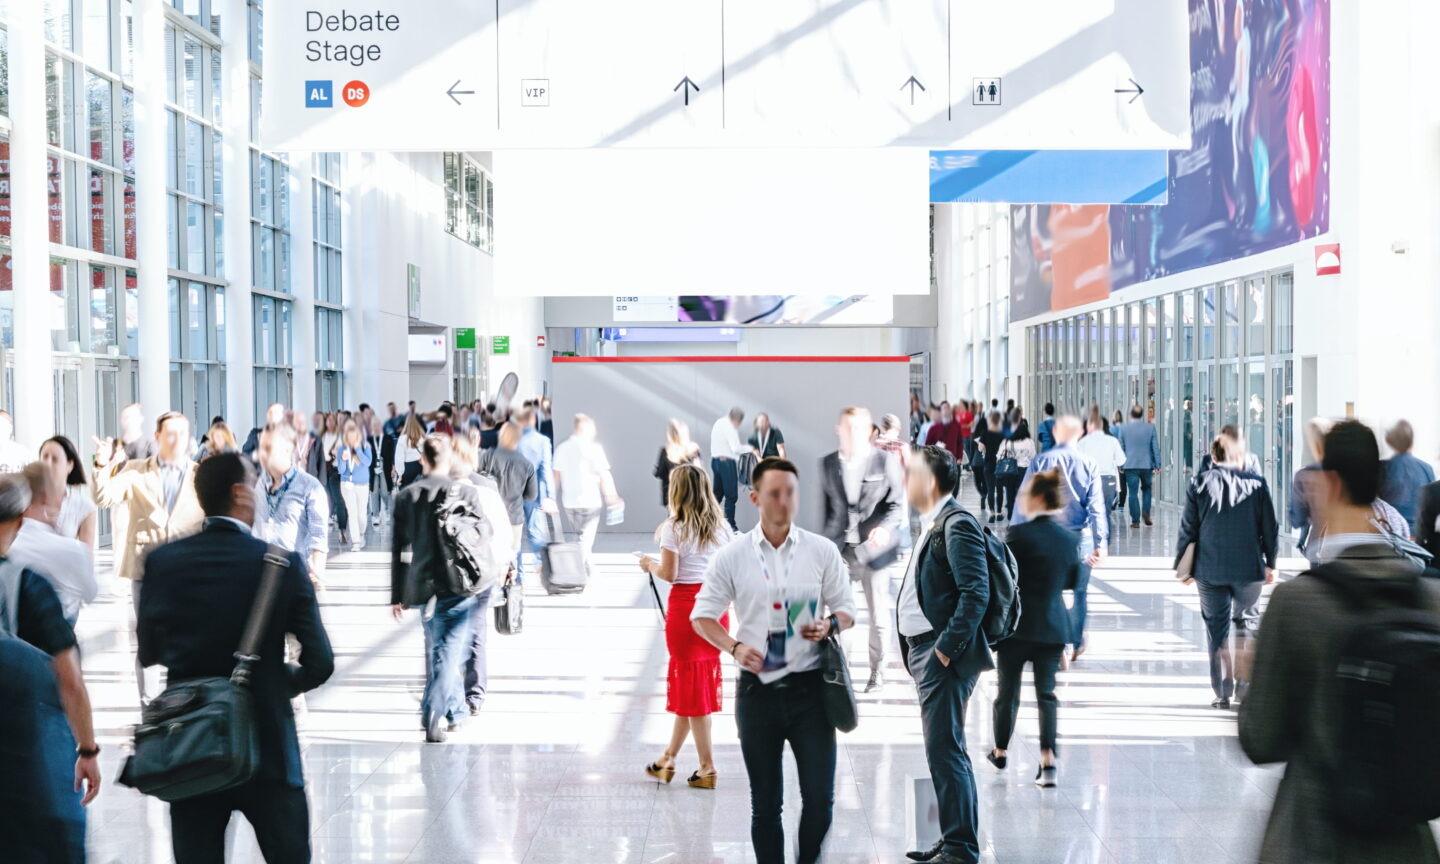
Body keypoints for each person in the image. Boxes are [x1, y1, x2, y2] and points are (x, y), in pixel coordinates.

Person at [1240, 420, 1440, 864]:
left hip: (1314, 838)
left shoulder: (1297, 604)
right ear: (1381, 484)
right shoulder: (1429, 602)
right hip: (1408, 844)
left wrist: (1254, 672)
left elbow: (1261, 739)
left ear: (1329, 484)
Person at [138, 452, 334, 863]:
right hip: (268, 742)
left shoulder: (162, 562)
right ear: (240, 494)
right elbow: (320, 662)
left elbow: (150, 651)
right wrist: (274, 684)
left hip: (191, 744)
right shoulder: (281, 565)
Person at [691, 457, 856, 864]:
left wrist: (829, 624)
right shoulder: (732, 556)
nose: (785, 502)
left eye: (791, 493)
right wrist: (733, 647)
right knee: (766, 805)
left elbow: (848, 609)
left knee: (820, 799)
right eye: (775, 494)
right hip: (757, 692)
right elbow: (701, 616)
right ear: (754, 498)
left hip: (812, 691)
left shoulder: (821, 551)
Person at [897, 446, 992, 864]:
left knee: (946, 751)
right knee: (945, 750)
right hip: (928, 655)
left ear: (930, 482)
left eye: (911, 474)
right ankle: (956, 838)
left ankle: (960, 848)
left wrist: (944, 653)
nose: (905, 481)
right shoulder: (936, 521)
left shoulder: (957, 524)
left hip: (942, 658)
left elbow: (977, 594)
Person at [0, 472, 101, 859]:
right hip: (28, 758)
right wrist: (88, 750)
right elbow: (70, 679)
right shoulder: (30, 588)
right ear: (20, 520)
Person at [93, 410, 205, 705]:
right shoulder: (136, 470)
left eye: (182, 433)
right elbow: (104, 497)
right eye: (170, 433)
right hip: (147, 570)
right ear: (157, 437)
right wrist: (102, 465)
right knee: (149, 642)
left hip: (187, 573)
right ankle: (150, 707)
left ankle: (183, 704)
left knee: (188, 638)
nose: (177, 439)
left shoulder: (199, 475)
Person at [390, 435, 493, 743]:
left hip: (423, 586)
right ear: (449, 460)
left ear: (422, 459)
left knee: (439, 647)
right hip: (458, 582)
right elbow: (485, 531)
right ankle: (434, 711)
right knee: (448, 651)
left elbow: (399, 550)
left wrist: (398, 595)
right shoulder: (464, 491)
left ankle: (456, 712)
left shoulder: (406, 496)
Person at [638, 463, 734, 788]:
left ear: (676, 492)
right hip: (716, 608)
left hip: (687, 612)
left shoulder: (674, 527)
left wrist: (648, 564)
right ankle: (668, 758)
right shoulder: (723, 527)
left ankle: (707, 766)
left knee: (692, 688)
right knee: (693, 687)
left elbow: (671, 574)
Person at [1175, 434, 1279, 708]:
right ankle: (1245, 689)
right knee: (1247, 624)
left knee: (1216, 630)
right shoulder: (1257, 485)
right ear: (1238, 456)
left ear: (1213, 455)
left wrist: (1182, 566)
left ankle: (1222, 692)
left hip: (1210, 569)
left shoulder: (1198, 483)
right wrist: (1271, 563)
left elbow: (1188, 527)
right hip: (1248, 568)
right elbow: (1270, 527)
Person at [989, 468, 1077, 790]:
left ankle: (1000, 751)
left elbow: (1005, 579)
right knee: (1046, 695)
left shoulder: (1017, 535)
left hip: (1017, 628)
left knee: (1007, 693)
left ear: (1037, 498)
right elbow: (1073, 581)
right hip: (1053, 628)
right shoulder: (1070, 539)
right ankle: (1048, 759)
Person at [1010, 416, 1107, 662]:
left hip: (1049, 538)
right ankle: (1077, 640)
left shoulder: (1041, 461)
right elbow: (1097, 507)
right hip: (1081, 538)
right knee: (1081, 592)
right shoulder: (1089, 463)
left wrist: (1016, 535)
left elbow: (1024, 502)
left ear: (1055, 432)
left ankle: (1060, 645)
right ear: (1080, 434)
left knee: (1053, 590)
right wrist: (1100, 542)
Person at [820, 407, 902, 692]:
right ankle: (840, 668)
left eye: (859, 428)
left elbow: (897, 504)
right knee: (838, 612)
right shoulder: (829, 464)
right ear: (839, 429)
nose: (853, 433)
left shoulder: (884, 461)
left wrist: (885, 529)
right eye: (848, 427)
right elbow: (828, 511)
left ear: (870, 431)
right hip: (842, 550)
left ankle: (877, 672)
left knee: (878, 613)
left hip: (874, 550)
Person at [449, 435, 516, 718]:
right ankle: (474, 693)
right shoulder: (486, 492)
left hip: (451, 572)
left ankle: (456, 690)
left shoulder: (439, 492)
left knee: (449, 632)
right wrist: (504, 565)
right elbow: (504, 533)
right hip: (482, 573)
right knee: (476, 631)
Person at [8, 464, 96, 626]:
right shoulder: (73, 551)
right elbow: (90, 593)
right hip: (59, 633)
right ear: (46, 496)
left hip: (14, 634)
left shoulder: (8, 547)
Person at [254, 422, 330, 579]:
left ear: (288, 448)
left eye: (269, 448)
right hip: (261, 572)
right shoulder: (260, 485)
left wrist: (316, 574)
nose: (263, 454)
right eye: (261, 448)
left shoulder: (310, 486)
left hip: (294, 574)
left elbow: (318, 536)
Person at [553, 414, 622, 578]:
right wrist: (611, 495)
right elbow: (604, 475)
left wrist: (551, 497)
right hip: (590, 500)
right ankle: (573, 572)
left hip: (569, 502)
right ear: (586, 429)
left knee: (581, 537)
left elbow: (555, 476)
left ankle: (589, 570)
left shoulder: (562, 448)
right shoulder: (594, 448)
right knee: (584, 539)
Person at [477, 421, 538, 571]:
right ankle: (514, 584)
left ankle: (493, 587)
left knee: (490, 552)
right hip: (514, 515)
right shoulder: (527, 464)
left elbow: (477, 481)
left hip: (490, 513)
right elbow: (532, 496)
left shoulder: (487, 456)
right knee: (513, 554)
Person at [514, 406, 558, 582]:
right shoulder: (542, 441)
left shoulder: (514, 439)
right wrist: (550, 496)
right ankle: (541, 566)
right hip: (535, 491)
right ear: (533, 420)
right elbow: (546, 470)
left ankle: (518, 574)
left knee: (515, 533)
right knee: (535, 531)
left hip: (514, 491)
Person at [1076, 406, 1126, 538]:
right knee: (1106, 513)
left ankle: (1093, 540)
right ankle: (1105, 542)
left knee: (1092, 511)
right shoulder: (1112, 441)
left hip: (1090, 479)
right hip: (1108, 480)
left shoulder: (1083, 442)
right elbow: (1121, 460)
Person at [1379, 420, 1435, 536]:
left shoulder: (1381, 468)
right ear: (1412, 441)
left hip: (1391, 534)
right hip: (1419, 535)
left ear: (1391, 441)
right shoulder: (1427, 469)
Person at [39, 435, 97, 548]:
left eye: (55, 459)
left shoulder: (84, 507)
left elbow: (86, 558)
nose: (48, 463)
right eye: (45, 457)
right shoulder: (26, 500)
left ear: (69, 465)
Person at [1114, 405, 1162, 528]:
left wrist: (1120, 465)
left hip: (1130, 465)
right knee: (1147, 490)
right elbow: (1155, 447)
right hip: (1146, 465)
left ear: (1131, 415)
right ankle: (1146, 512)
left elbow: (1121, 448)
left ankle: (1135, 521)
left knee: (1133, 493)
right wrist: (1158, 464)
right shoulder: (1150, 427)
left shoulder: (1124, 429)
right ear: (1141, 415)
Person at [336, 417, 373, 552]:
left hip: (362, 484)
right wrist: (343, 459)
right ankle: (356, 542)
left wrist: (357, 449)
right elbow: (340, 470)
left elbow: (367, 462)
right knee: (352, 513)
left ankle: (361, 534)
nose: (351, 440)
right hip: (346, 484)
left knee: (361, 514)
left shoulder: (365, 446)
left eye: (353, 437)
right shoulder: (342, 449)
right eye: (349, 437)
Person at [710, 407, 746, 530]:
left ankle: (707, 523)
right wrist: (751, 449)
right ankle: (731, 527)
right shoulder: (730, 426)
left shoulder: (718, 422)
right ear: (737, 420)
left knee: (717, 495)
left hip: (715, 461)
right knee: (731, 496)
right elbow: (735, 448)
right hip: (726, 462)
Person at [994, 419, 1036, 521]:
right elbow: (1033, 457)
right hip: (1023, 470)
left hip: (1010, 471)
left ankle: (1010, 515)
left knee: (1010, 493)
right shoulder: (1029, 442)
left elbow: (999, 456)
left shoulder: (1007, 441)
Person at [655, 418, 703, 505]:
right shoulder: (694, 450)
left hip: (672, 495)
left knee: (674, 517)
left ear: (671, 434)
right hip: (690, 495)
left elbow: (660, 473)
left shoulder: (666, 451)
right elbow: (699, 472)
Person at [974, 410, 1007, 517]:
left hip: (988, 464)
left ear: (991, 420)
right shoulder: (1003, 433)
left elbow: (980, 448)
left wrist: (980, 443)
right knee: (1000, 489)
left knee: (990, 489)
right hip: (1000, 465)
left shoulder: (985, 432)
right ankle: (999, 512)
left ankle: (992, 512)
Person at [395, 411, 425, 488]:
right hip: (420, 467)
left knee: (407, 495)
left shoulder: (402, 439)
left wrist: (400, 475)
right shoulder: (423, 437)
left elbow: (399, 459)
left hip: (407, 469)